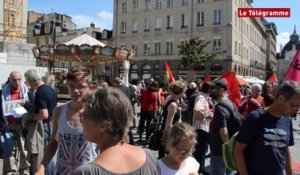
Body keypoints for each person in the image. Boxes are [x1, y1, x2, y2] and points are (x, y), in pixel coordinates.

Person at [73, 88, 161, 175]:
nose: (81, 121)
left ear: (103, 126)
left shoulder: (86, 172)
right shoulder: (150, 158)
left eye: (84, 116)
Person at [35, 65, 97, 175]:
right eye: (71, 86)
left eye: (81, 86)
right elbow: (53, 142)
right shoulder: (59, 111)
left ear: (90, 87)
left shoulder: (97, 112)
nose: (75, 91)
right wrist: (42, 167)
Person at [234, 80, 300, 175]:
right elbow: (238, 150)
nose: (296, 111)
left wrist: (289, 173)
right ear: (281, 99)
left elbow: (285, 149)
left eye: (299, 107)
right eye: (294, 106)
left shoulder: (287, 120)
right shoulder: (256, 118)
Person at [24, 69, 57, 175]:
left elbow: (44, 114)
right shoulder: (50, 88)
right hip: (51, 123)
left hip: (45, 126)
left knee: (44, 155)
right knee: (49, 154)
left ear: (29, 81)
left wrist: (30, 118)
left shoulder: (40, 92)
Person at [1, 71, 30, 174]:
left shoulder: (27, 91)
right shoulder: (3, 92)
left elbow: (32, 108)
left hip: (22, 125)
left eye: (19, 79)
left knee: (24, 150)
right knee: (8, 150)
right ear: (10, 80)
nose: (17, 82)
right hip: (7, 125)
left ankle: (25, 172)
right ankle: (9, 172)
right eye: (14, 80)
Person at [209, 80, 238, 175]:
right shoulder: (231, 104)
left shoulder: (220, 108)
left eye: (213, 89)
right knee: (230, 172)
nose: (210, 91)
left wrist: (227, 149)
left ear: (221, 90)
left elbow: (224, 131)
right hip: (229, 146)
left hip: (220, 149)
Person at [158, 80, 187, 158]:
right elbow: (169, 124)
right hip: (169, 133)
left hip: (166, 130)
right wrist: (168, 138)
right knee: (168, 156)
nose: (185, 93)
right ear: (181, 92)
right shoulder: (173, 104)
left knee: (163, 156)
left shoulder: (169, 98)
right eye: (184, 91)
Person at [192, 81, 215, 175]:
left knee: (202, 150)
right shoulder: (201, 97)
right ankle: (199, 170)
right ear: (209, 89)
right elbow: (197, 109)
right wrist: (208, 115)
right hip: (201, 128)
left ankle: (200, 169)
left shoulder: (204, 97)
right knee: (200, 150)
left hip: (202, 127)